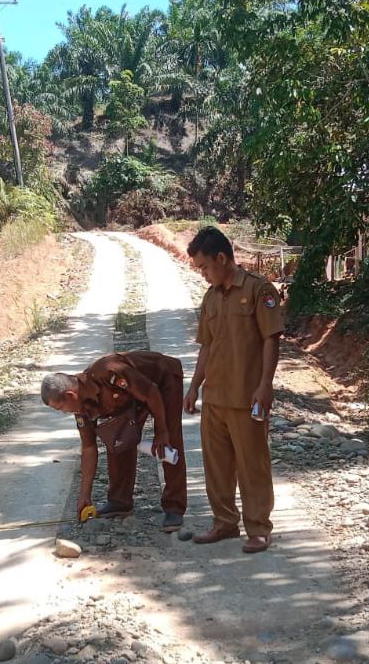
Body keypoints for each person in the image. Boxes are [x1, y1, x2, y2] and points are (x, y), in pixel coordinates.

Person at [183, 226, 284, 553]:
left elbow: (271, 339)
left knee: (252, 465)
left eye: (205, 267)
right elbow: (206, 346)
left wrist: (265, 385)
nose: (203, 274)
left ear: (222, 258)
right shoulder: (210, 298)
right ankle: (224, 522)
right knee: (217, 467)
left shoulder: (258, 290)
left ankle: (258, 528)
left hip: (246, 397)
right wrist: (194, 387)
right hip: (214, 398)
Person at [41, 351, 188, 532]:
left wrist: (162, 430)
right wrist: (85, 495)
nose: (63, 412)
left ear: (71, 395)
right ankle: (120, 501)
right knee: (118, 438)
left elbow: (151, 392)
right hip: (133, 399)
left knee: (168, 443)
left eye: (60, 407)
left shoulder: (107, 371)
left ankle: (174, 507)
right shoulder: (81, 409)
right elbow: (88, 448)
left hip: (161, 382)